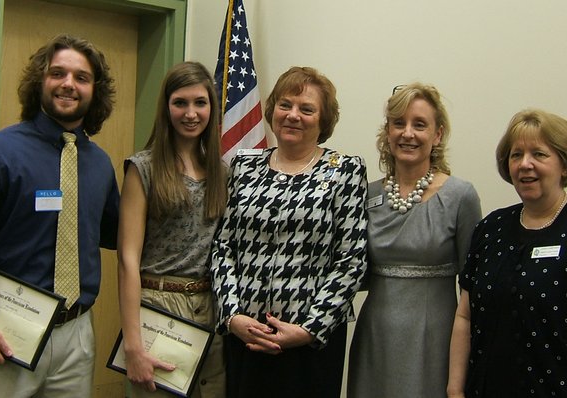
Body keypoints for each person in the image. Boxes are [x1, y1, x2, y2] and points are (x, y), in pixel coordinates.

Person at [0, 34, 119, 397]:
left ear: (95, 90)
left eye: (81, 77)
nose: (68, 84)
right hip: (1, 329)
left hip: (75, 336)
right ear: (40, 81)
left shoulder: (99, 164)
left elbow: (114, 235)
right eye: (57, 73)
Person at [210, 66, 368, 398]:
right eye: (285, 105)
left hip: (308, 345)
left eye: (306, 109)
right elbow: (223, 247)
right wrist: (232, 316)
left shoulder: (346, 170)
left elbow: (351, 260)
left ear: (323, 121)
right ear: (272, 111)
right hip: (246, 336)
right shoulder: (244, 165)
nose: (293, 115)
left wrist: (308, 330)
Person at [447, 109, 567, 397]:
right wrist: (455, 390)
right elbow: (465, 318)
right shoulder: (490, 229)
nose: (525, 164)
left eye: (539, 154)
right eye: (516, 155)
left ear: (565, 165)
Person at [347, 82, 482, 398]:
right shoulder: (366, 194)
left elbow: (474, 286)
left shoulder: (460, 196)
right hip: (375, 335)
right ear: (388, 131)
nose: (408, 133)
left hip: (436, 336)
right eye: (399, 123)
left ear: (437, 135)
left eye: (419, 125)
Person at [117, 61, 227, 397]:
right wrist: (133, 346)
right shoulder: (143, 168)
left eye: (200, 103)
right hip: (158, 305)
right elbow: (127, 259)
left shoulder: (222, 171)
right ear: (167, 107)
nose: (191, 113)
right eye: (180, 103)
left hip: (211, 308)